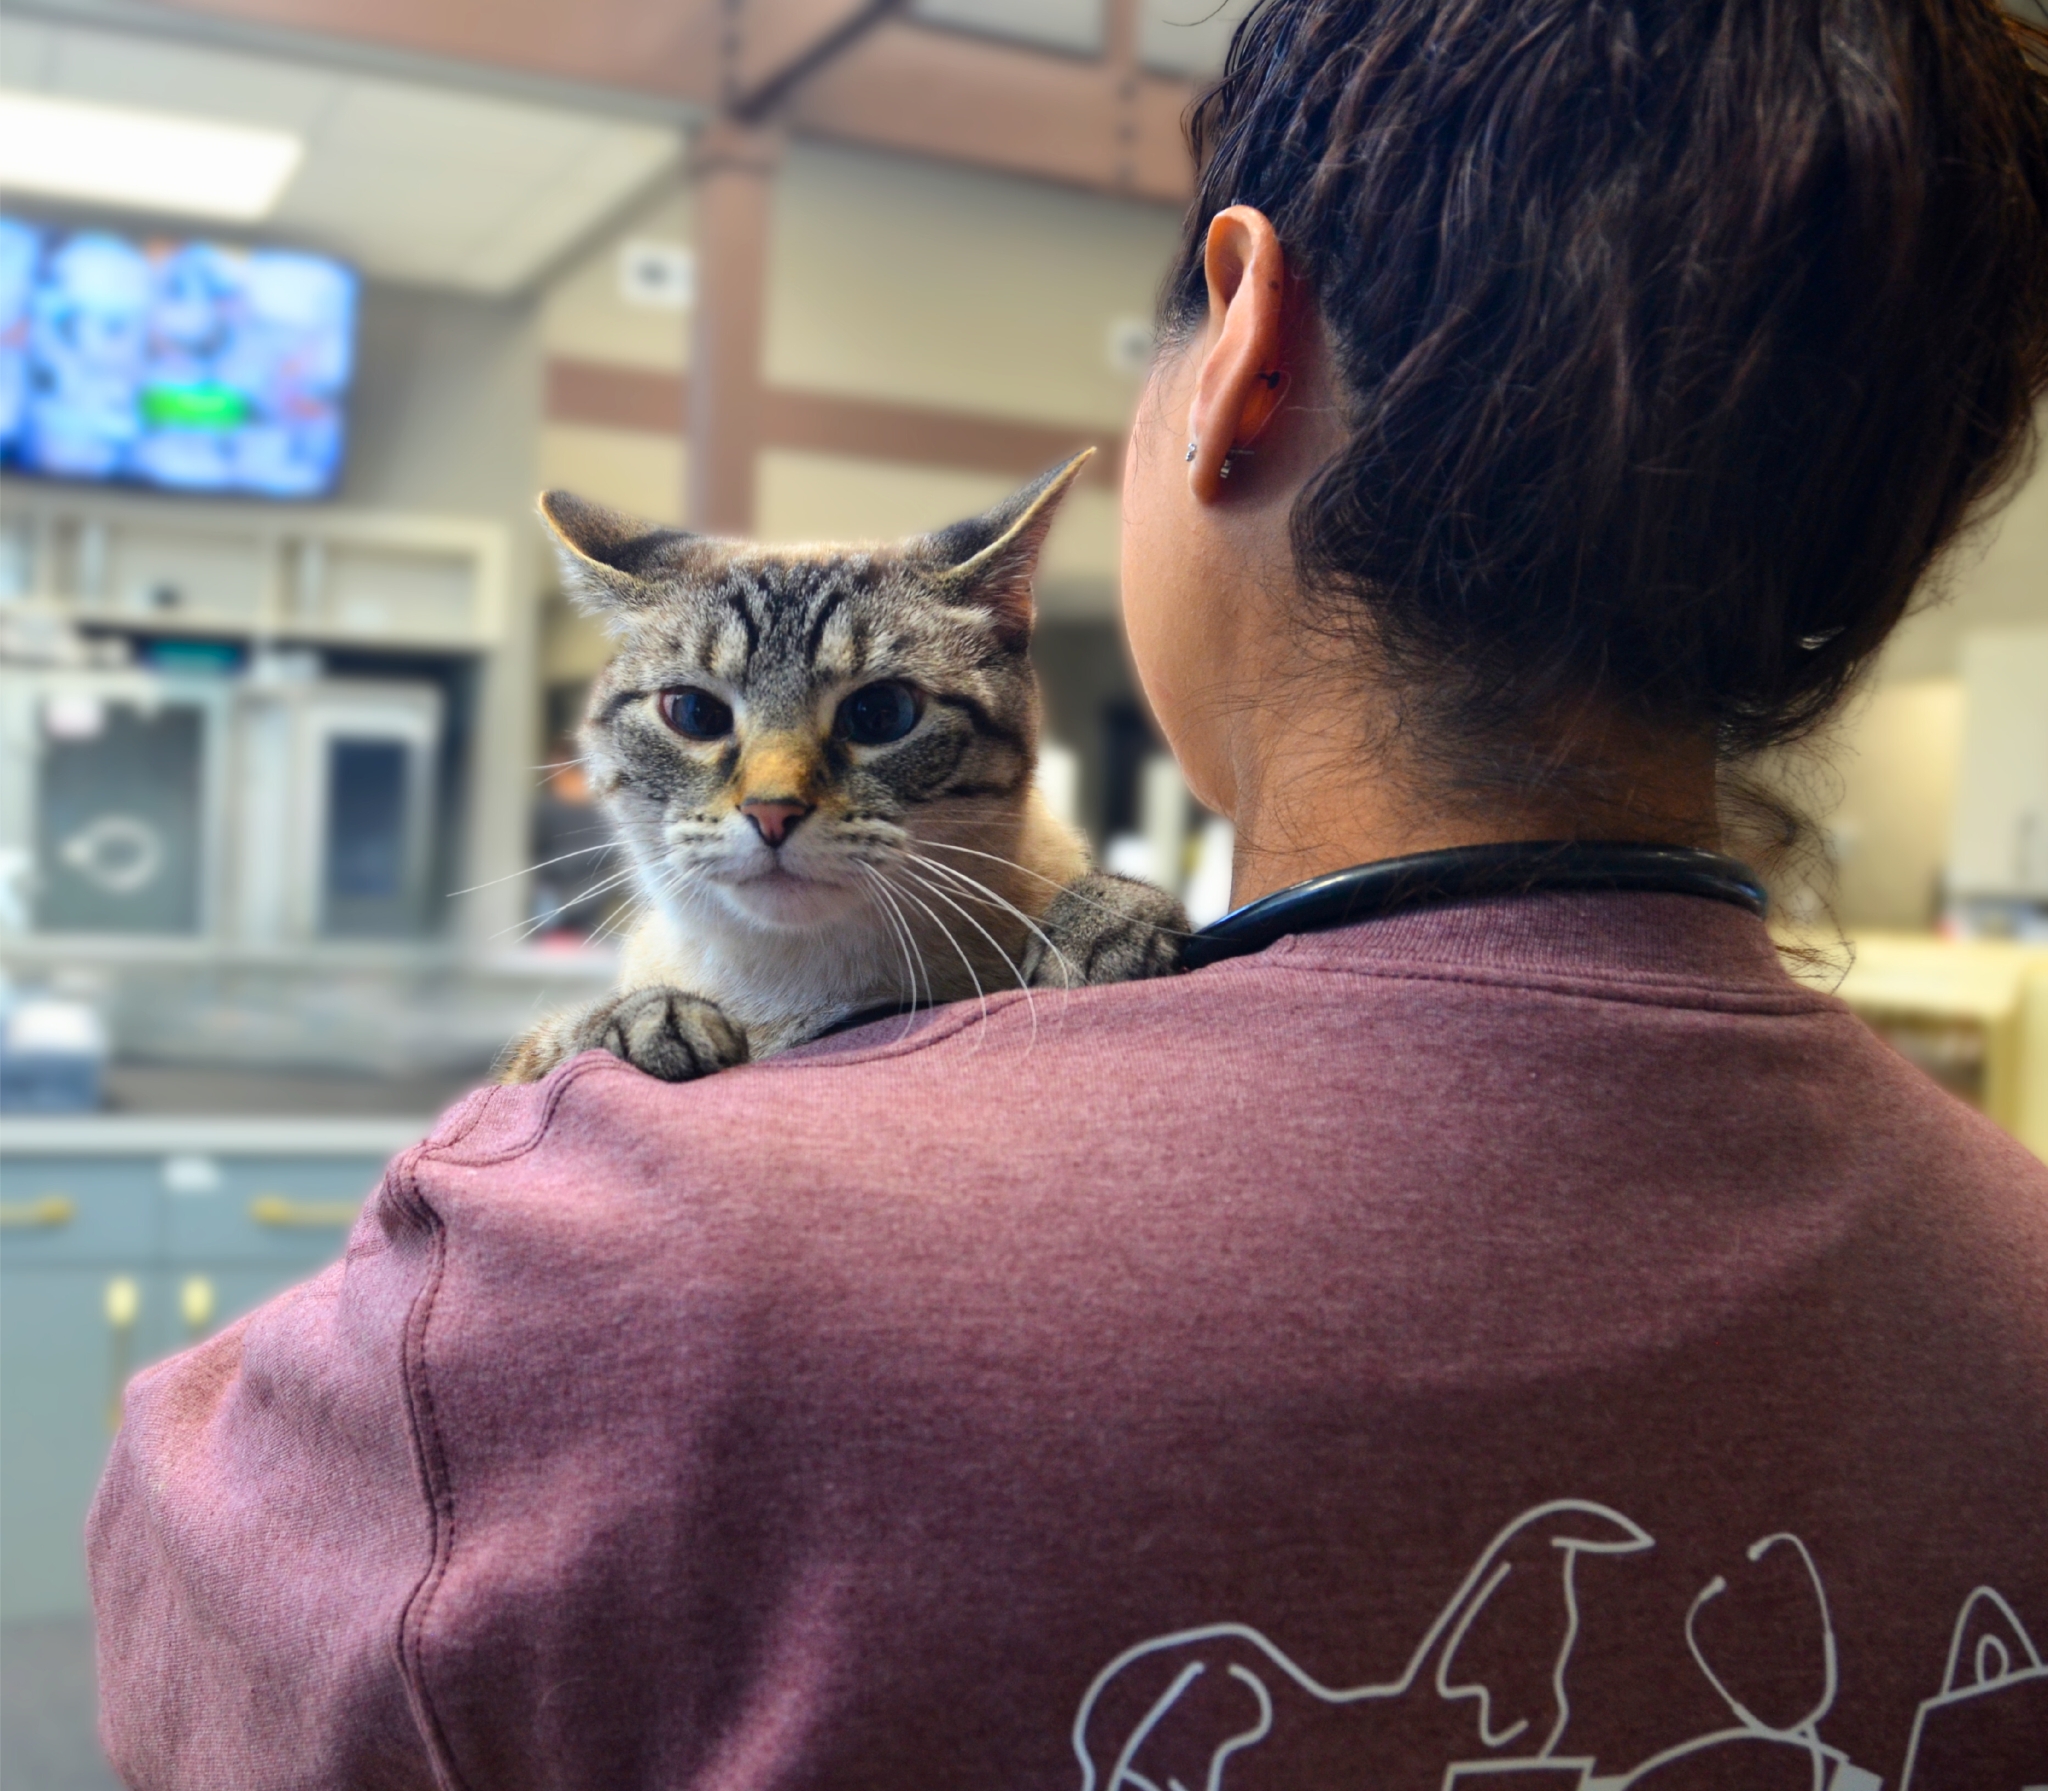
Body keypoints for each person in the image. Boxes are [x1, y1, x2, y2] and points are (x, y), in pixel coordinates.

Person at [90, 1, 2048, 1785]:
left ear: (1244, 355)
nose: (773, 793)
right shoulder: (2018, 1281)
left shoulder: (600, 1258)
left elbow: (173, 1617)